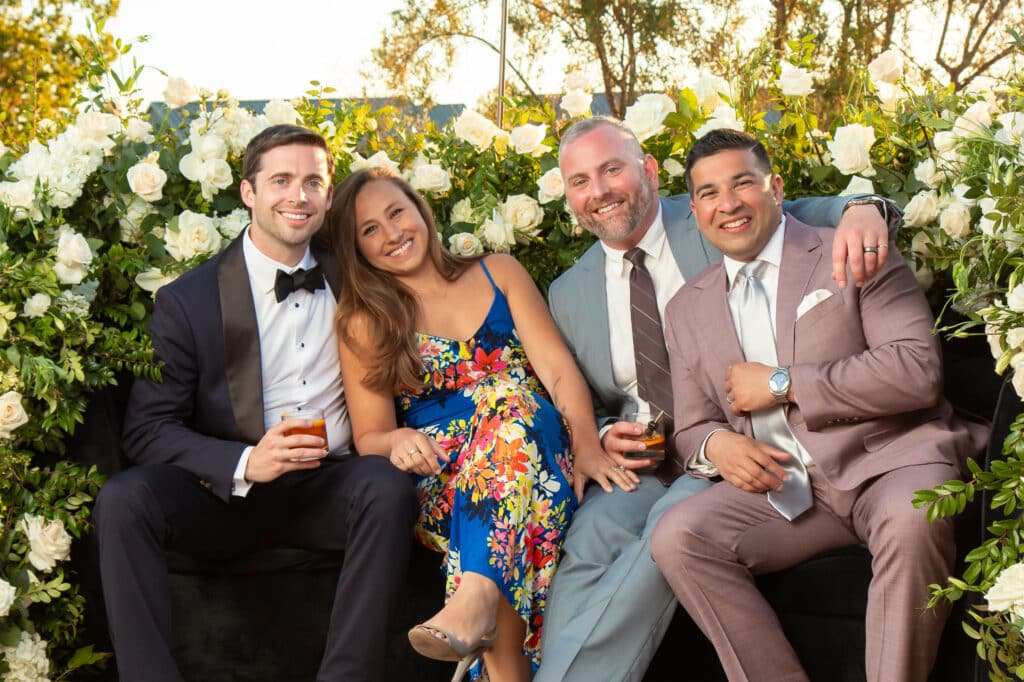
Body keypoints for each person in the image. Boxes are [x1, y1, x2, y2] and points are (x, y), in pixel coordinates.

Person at [536, 116, 900, 682]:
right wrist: (606, 432)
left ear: (649, 172)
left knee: (658, 546)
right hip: (645, 463)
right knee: (587, 544)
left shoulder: (712, 213)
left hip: (730, 446)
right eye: (580, 181)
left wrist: (864, 208)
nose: (599, 191)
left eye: (612, 169)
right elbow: (591, 396)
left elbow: (805, 211)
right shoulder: (567, 291)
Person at [649, 128, 988, 681]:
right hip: (789, 489)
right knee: (678, 537)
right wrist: (718, 443)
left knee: (912, 519)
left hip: (891, 462)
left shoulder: (849, 247)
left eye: (743, 184)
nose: (728, 204)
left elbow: (916, 371)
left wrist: (783, 383)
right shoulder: (687, 308)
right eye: (709, 193)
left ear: (776, 188)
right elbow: (691, 424)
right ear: (695, 210)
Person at [94, 125, 418, 682]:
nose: (298, 195)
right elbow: (147, 430)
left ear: (329, 195)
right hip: (226, 499)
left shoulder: (359, 276)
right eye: (281, 180)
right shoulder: (188, 300)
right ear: (248, 192)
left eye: (313, 181)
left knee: (387, 488)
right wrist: (244, 463)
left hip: (329, 486)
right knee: (125, 500)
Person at [328, 168, 629, 682]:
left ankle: (474, 600)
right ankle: (488, 617)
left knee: (511, 403)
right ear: (356, 250)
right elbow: (370, 436)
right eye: (369, 229)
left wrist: (587, 443)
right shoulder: (364, 319)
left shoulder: (499, 271)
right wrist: (398, 439)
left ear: (421, 210)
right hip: (447, 475)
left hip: (537, 446)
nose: (392, 232)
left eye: (396, 212)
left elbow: (556, 370)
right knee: (510, 502)